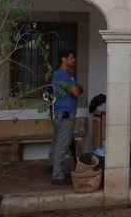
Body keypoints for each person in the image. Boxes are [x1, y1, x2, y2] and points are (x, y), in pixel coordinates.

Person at [50, 50, 82, 185]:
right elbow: (76, 91)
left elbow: (78, 89)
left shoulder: (68, 76)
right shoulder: (62, 75)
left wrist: (77, 87)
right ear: (63, 59)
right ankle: (57, 175)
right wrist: (77, 88)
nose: (73, 60)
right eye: (71, 58)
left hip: (62, 114)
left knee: (58, 143)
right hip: (65, 114)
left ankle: (56, 168)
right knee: (62, 145)